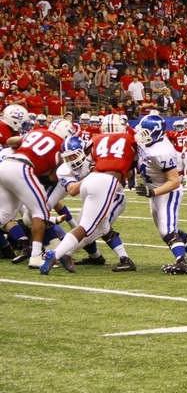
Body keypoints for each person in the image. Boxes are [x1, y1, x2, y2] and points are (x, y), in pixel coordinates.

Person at [40, 115, 136, 274]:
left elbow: (126, 172)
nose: (72, 159)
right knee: (97, 226)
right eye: (68, 156)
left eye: (75, 154)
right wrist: (91, 177)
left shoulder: (92, 157)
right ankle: (107, 258)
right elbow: (72, 190)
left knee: (92, 229)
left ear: (83, 151)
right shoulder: (64, 169)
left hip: (115, 196)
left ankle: (62, 253)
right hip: (96, 191)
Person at [133, 113, 187, 274]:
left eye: (145, 132)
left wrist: (153, 192)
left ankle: (182, 262)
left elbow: (174, 181)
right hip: (155, 190)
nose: (141, 135)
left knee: (167, 230)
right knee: (167, 228)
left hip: (167, 191)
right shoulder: (148, 141)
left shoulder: (162, 151)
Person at [2, 118, 74, 266]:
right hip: (22, 169)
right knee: (40, 213)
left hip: (4, 165)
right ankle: (35, 256)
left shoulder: (36, 132)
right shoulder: (62, 147)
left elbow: (10, 141)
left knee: (3, 217)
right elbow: (53, 177)